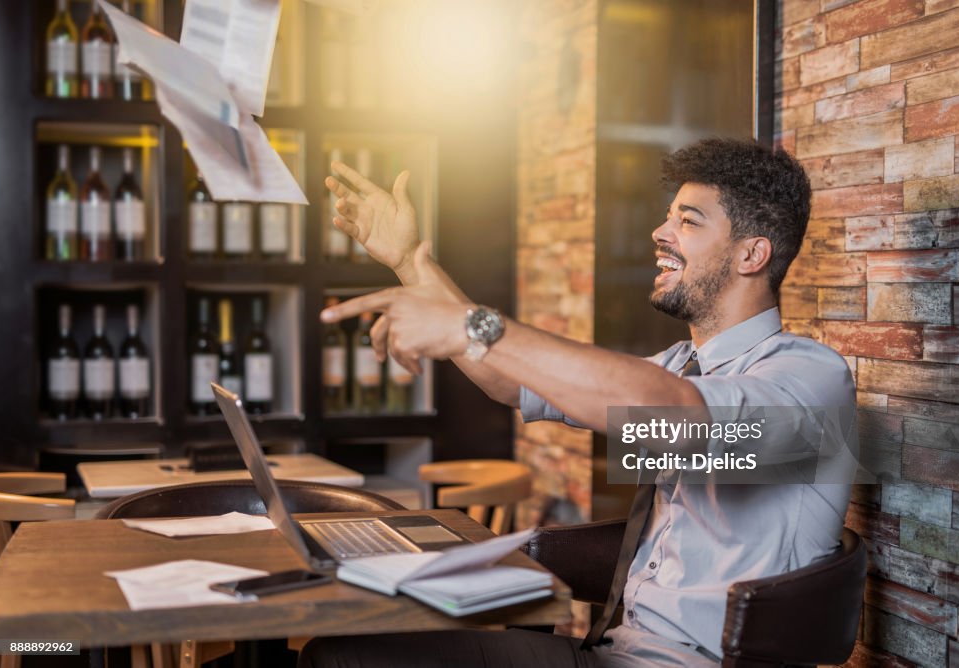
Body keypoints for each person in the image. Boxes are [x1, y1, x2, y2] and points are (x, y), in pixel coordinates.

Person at [299, 138, 857, 668]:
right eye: (669, 216)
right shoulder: (681, 364)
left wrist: (475, 326)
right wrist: (409, 264)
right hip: (614, 651)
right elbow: (511, 382)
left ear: (751, 254)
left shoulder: (809, 380)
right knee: (340, 651)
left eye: (688, 220)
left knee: (347, 657)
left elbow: (675, 418)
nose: (660, 232)